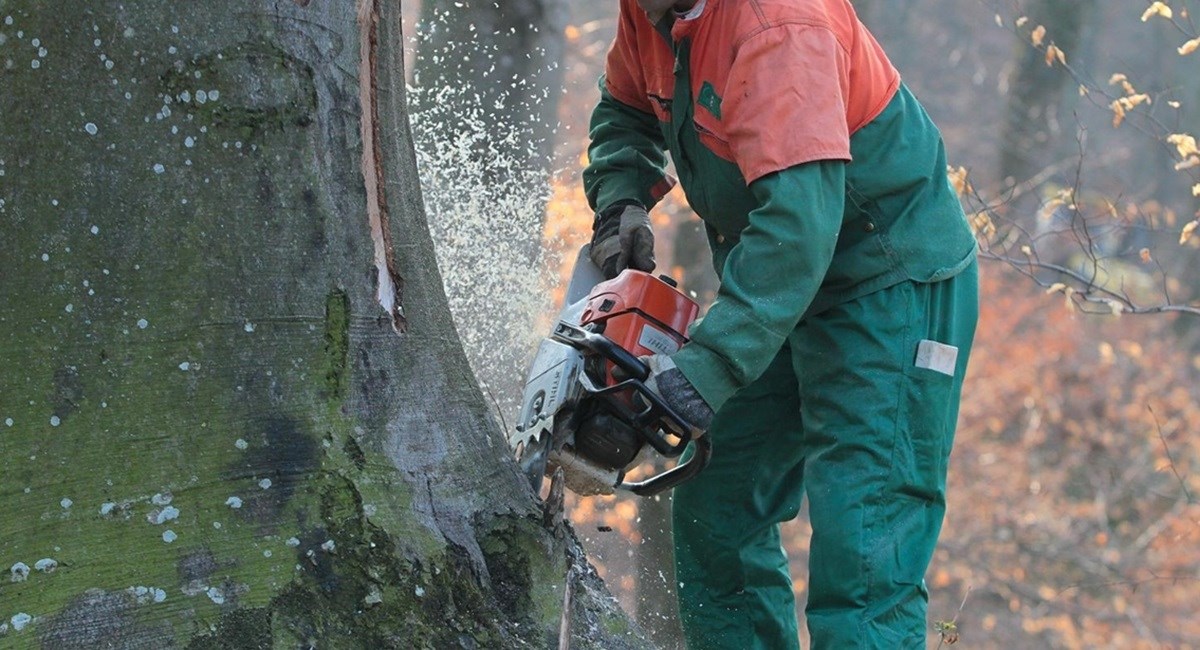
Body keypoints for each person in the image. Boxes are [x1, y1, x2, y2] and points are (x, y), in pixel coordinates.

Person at [582, 0, 980, 648]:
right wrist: (619, 199)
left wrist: (706, 369)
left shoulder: (779, 25)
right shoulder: (648, 10)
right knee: (718, 514)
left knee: (864, 555)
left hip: (886, 281)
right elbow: (625, 111)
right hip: (771, 285)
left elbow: (799, 229)